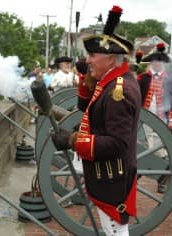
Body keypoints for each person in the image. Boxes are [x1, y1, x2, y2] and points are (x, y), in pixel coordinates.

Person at [51, 5, 141, 236]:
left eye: (92, 56)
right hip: (109, 173)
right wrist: (87, 77)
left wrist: (73, 141)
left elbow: (116, 144)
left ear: (111, 58)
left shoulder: (117, 92)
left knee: (115, 231)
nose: (87, 60)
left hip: (111, 176)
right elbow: (84, 106)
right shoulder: (111, 82)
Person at [138, 42, 172, 193]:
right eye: (154, 62)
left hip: (163, 120)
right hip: (145, 121)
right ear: (152, 63)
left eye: (159, 62)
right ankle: (135, 177)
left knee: (167, 153)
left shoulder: (170, 81)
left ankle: (162, 181)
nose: (157, 64)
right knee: (142, 150)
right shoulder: (143, 78)